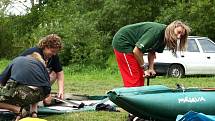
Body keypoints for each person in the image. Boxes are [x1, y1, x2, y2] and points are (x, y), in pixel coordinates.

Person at [112, 20, 191, 87]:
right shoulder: (156, 32)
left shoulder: (165, 37)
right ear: (173, 27)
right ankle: (131, 100)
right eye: (178, 32)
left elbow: (152, 52)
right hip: (123, 42)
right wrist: (145, 68)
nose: (178, 36)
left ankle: (139, 99)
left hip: (134, 48)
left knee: (140, 77)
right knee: (134, 77)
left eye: (181, 35)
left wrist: (151, 68)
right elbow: (136, 51)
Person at [0, 52, 51, 121]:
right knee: (34, 88)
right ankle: (33, 112)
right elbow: (46, 89)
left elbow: (2, 80)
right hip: (40, 95)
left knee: (18, 93)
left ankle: (18, 110)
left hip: (24, 93)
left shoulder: (18, 60)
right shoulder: (40, 66)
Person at [20, 34, 64, 104]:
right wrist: (46, 93)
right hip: (23, 81)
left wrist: (61, 91)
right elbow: (31, 76)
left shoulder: (54, 56)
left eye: (56, 52)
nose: (54, 54)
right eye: (52, 51)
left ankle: (46, 96)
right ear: (46, 46)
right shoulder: (34, 53)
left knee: (55, 73)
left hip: (38, 80)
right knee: (45, 99)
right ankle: (36, 98)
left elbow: (59, 73)